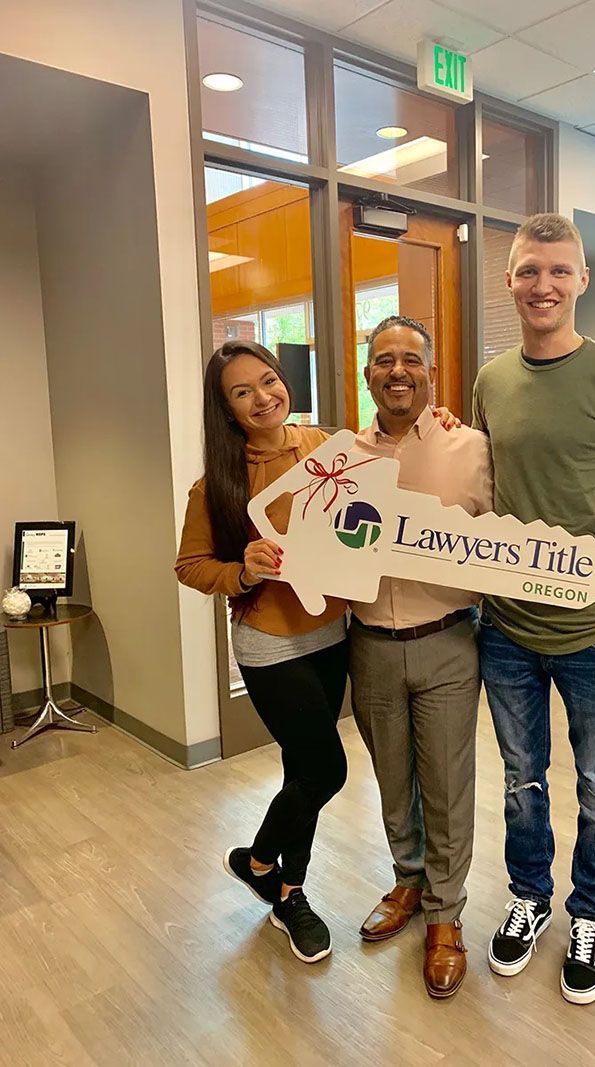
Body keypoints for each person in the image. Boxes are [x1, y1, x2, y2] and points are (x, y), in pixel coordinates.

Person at [473, 213, 595, 1004]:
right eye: (528, 271)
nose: (543, 285)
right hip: (508, 629)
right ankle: (529, 897)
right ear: (511, 281)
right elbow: (482, 484)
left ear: (582, 280)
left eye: (559, 271)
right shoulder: (492, 380)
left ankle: (591, 912)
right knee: (523, 779)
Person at [175, 340, 349, 965]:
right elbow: (190, 565)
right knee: (327, 771)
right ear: (225, 410)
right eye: (241, 392)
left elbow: (378, 497)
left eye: (268, 381)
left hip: (333, 633)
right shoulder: (216, 485)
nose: (262, 397)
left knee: (301, 772)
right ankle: (259, 862)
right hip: (270, 644)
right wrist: (243, 573)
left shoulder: (326, 446)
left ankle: (286, 891)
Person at [348, 315, 493, 999]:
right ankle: (408, 881)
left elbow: (508, 540)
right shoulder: (342, 457)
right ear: (367, 373)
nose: (397, 370)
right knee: (392, 778)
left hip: (447, 641)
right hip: (370, 646)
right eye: (384, 360)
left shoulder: (472, 447)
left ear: (432, 372)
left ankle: (445, 915)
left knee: (447, 785)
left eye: (411, 358)